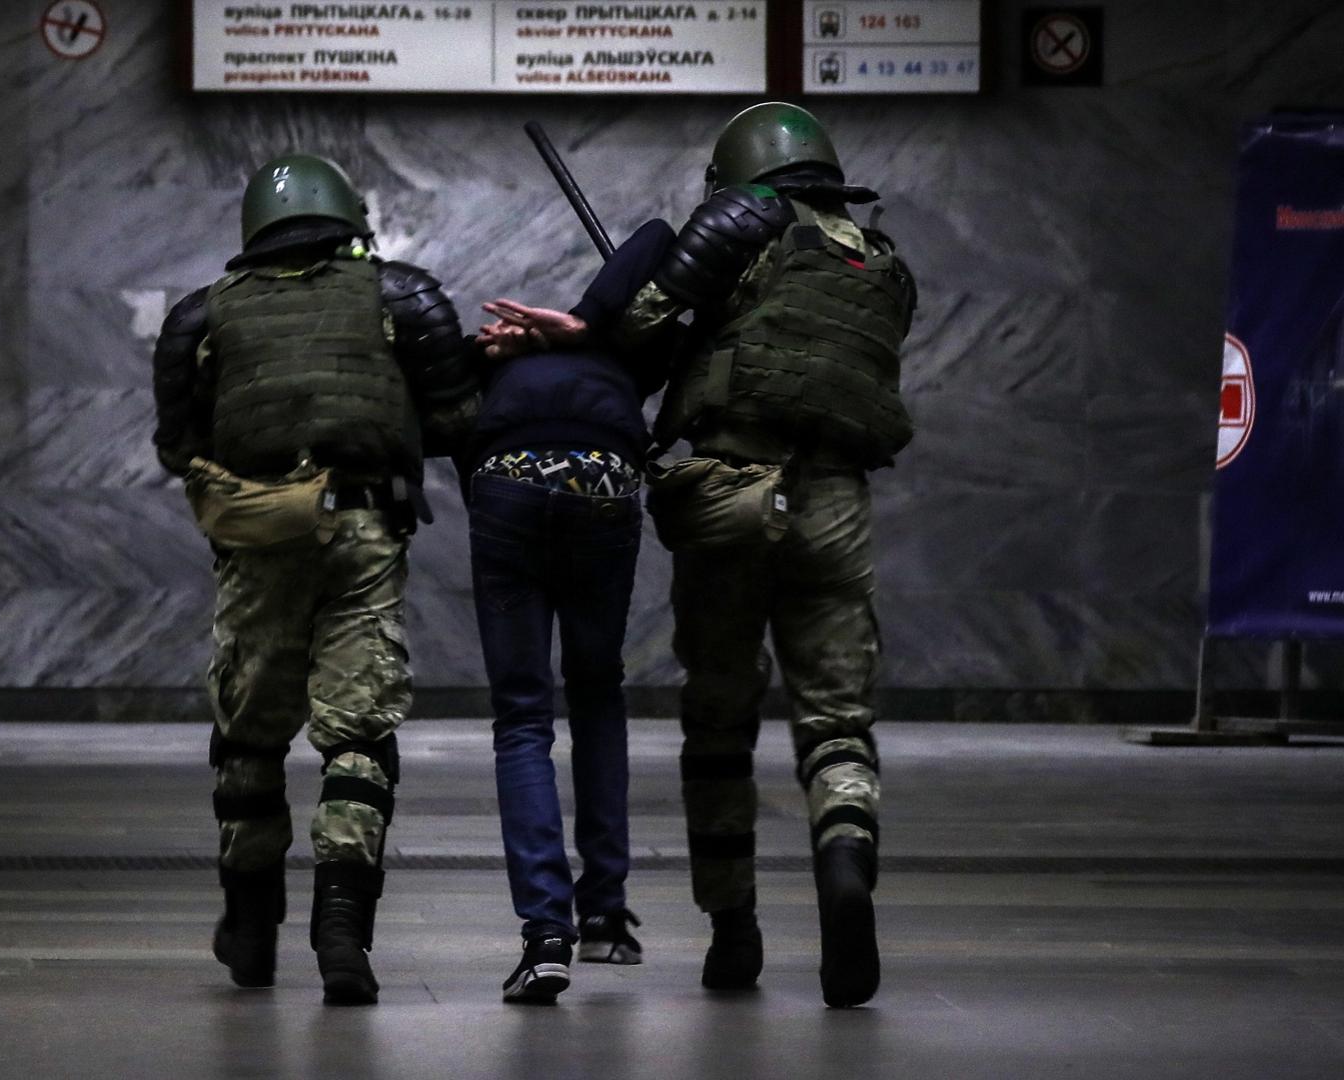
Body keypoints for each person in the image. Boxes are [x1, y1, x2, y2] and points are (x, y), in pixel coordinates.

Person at [480, 102, 916, 1008]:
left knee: (720, 720)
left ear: (737, 173)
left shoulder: (736, 218)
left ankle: (735, 930)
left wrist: (595, 328)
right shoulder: (878, 264)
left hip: (731, 492)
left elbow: (640, 325)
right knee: (837, 719)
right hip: (835, 499)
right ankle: (843, 852)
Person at [150, 153, 479, 1005]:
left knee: (250, 734)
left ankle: (249, 923)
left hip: (260, 536)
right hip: (364, 526)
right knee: (358, 729)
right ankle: (343, 928)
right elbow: (457, 416)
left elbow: (175, 444)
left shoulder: (199, 316)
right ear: (349, 220)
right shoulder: (401, 294)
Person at [465, 221, 674, 1003]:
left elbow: (653, 236)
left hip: (509, 481)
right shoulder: (635, 358)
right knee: (597, 696)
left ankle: (545, 933)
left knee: (522, 717)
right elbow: (656, 236)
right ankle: (608, 918)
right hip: (604, 481)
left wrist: (560, 329)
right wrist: (588, 323)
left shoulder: (505, 364)